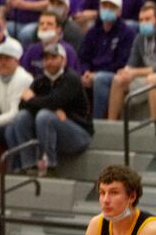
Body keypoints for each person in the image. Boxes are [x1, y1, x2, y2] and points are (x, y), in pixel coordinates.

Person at [7, 44, 93, 175]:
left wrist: (33, 101)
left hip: (79, 133)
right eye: (46, 58)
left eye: (54, 57)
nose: (49, 62)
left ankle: (50, 166)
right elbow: (22, 106)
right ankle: (29, 165)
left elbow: (53, 101)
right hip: (53, 130)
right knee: (22, 117)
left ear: (63, 60)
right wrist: (51, 107)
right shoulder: (41, 81)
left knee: (45, 116)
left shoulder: (72, 79)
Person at [79, 0, 137, 119]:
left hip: (114, 74)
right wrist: (86, 71)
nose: (107, 9)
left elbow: (122, 61)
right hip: (92, 73)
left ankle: (98, 122)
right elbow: (83, 57)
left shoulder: (127, 33)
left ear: (119, 11)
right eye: (104, 6)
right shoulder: (92, 32)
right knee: (73, 78)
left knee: (100, 79)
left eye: (112, 7)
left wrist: (96, 74)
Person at [84, 165, 156, 235]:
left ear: (132, 196)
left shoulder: (152, 231)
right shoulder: (96, 224)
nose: (106, 200)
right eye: (102, 193)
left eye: (114, 193)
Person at [20, 11, 80, 78]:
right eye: (41, 24)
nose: (44, 27)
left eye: (49, 24)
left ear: (58, 29)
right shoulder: (32, 50)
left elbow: (72, 78)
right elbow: (25, 75)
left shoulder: (68, 51)